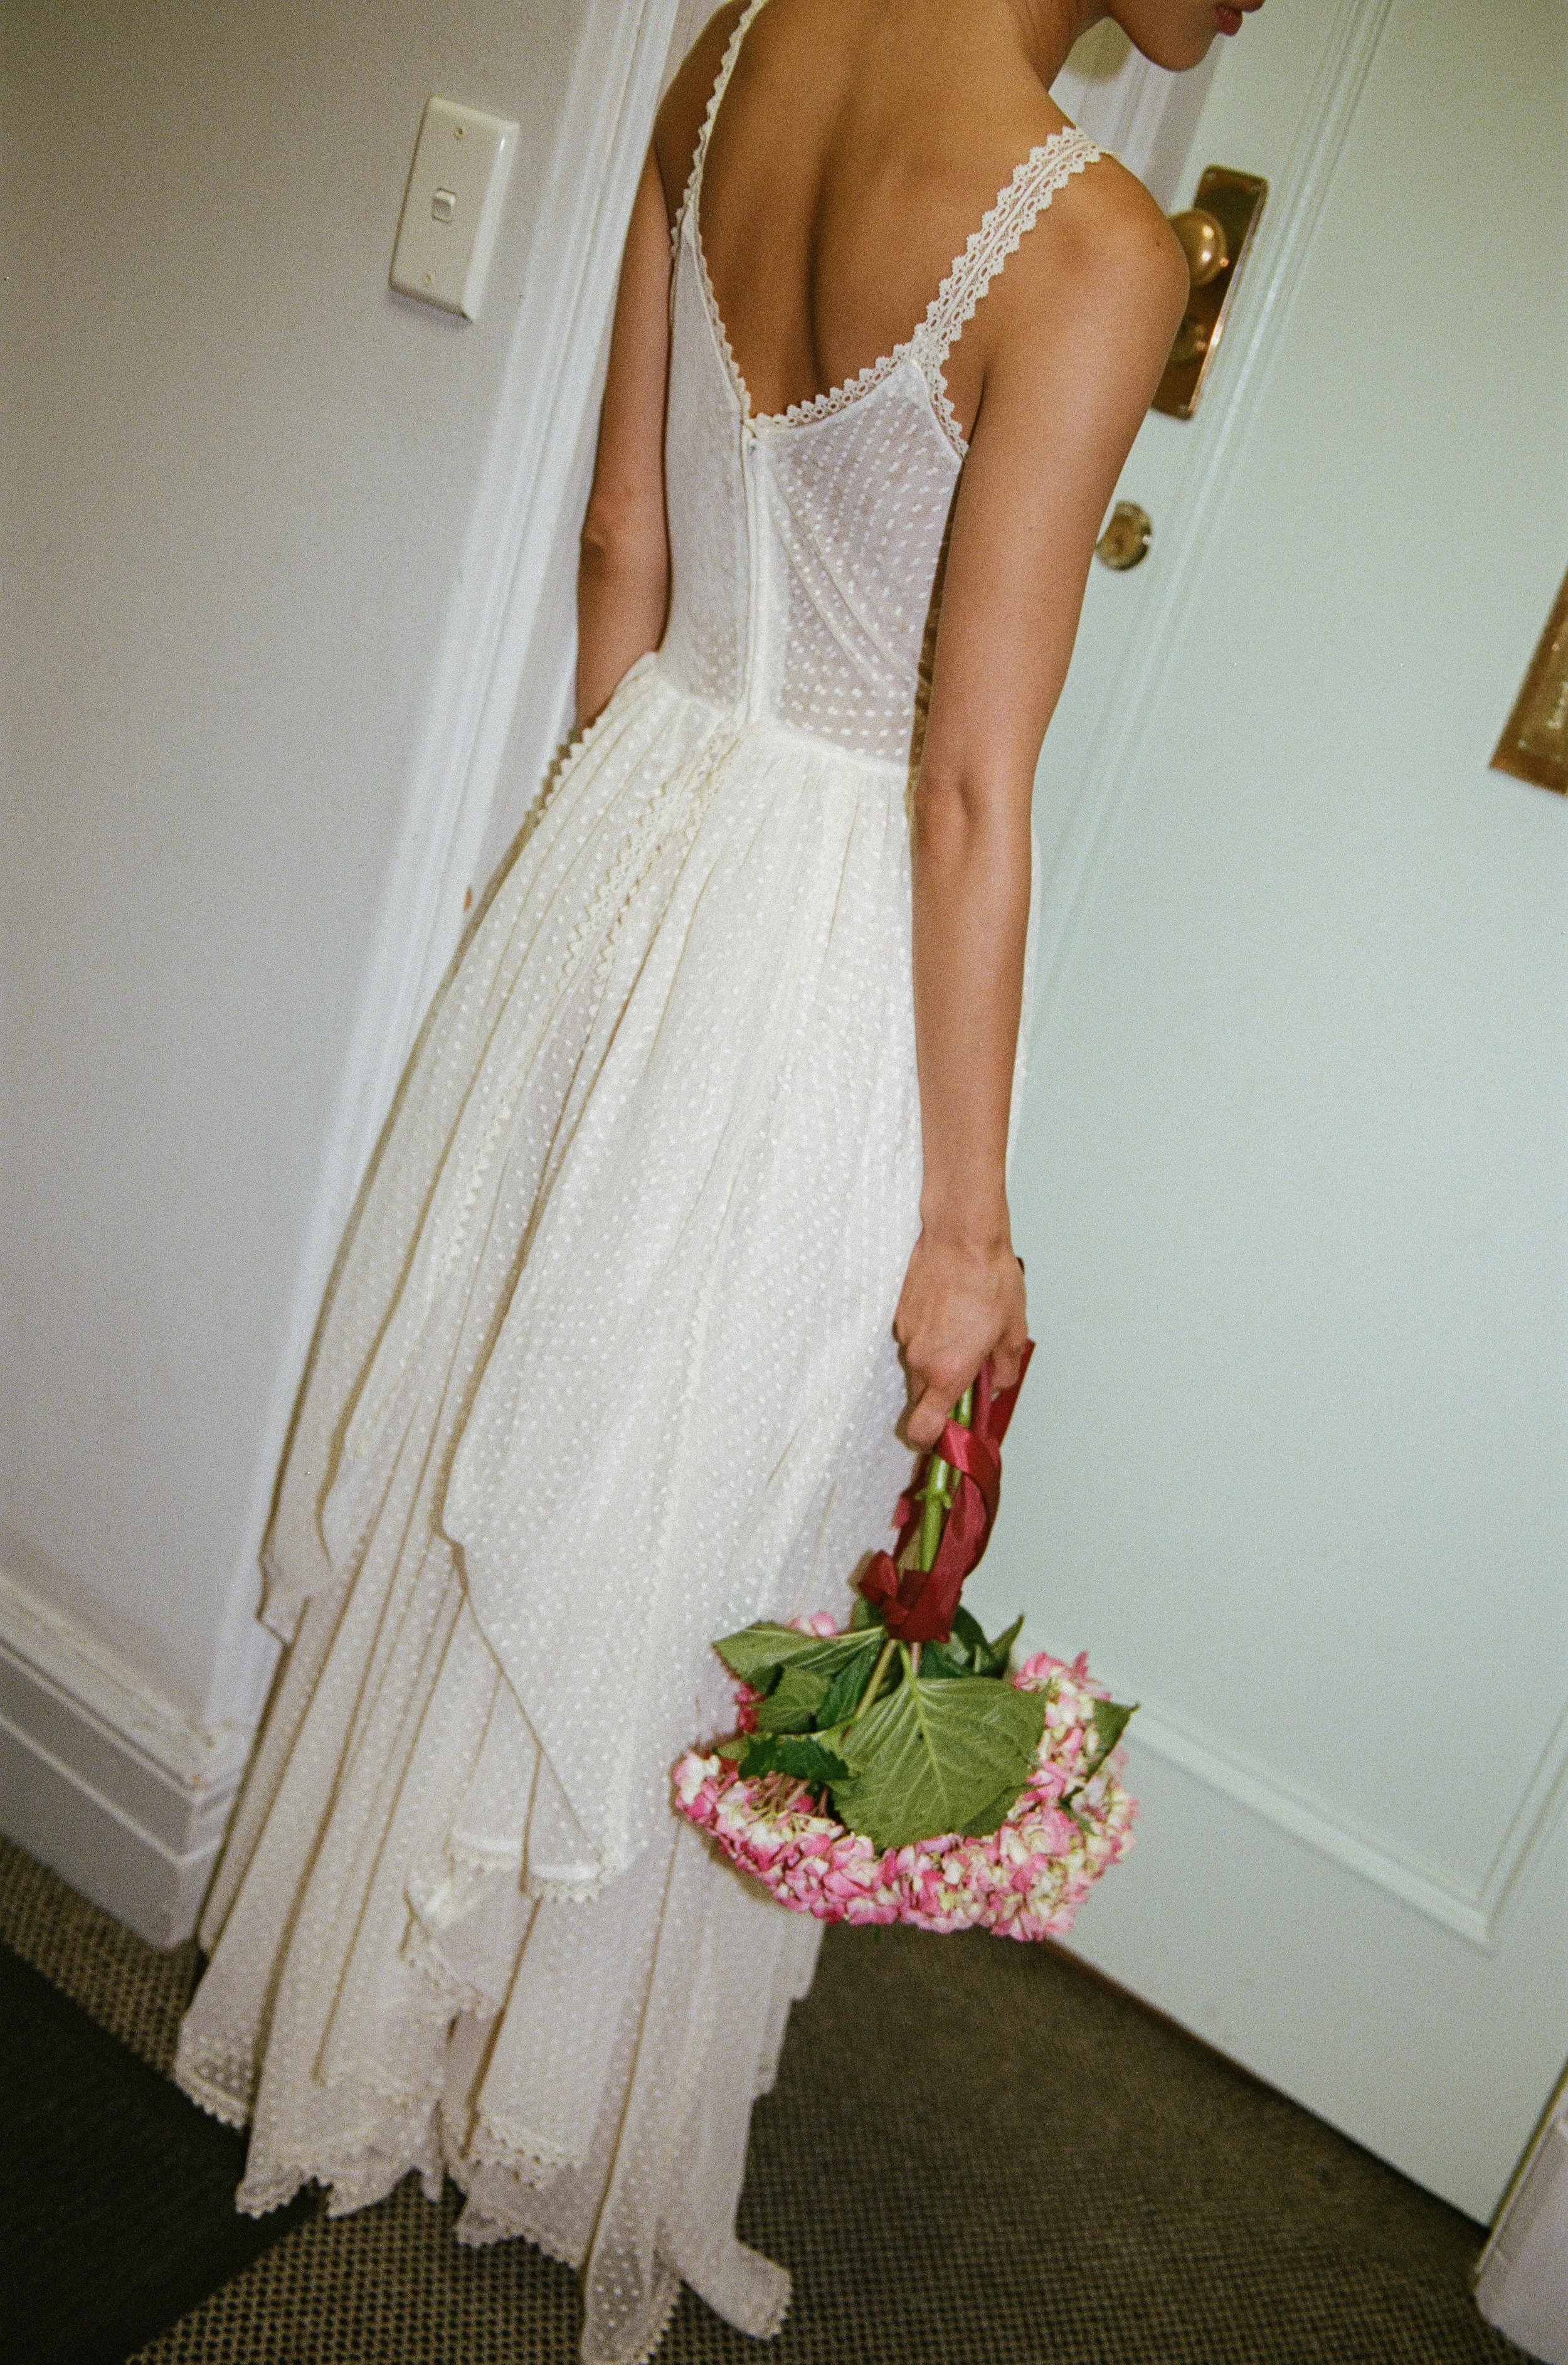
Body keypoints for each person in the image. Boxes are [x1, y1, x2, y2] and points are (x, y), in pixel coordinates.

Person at [174, 2, 1258, 2358]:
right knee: (695, 1499)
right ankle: (536, 2112)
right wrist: (961, 1231)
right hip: (821, 931)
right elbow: (965, 786)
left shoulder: (725, 45)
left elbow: (618, 551)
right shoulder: (1086, 246)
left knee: (538, 1407)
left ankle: (402, 2034)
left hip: (640, 814)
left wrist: (594, 921)